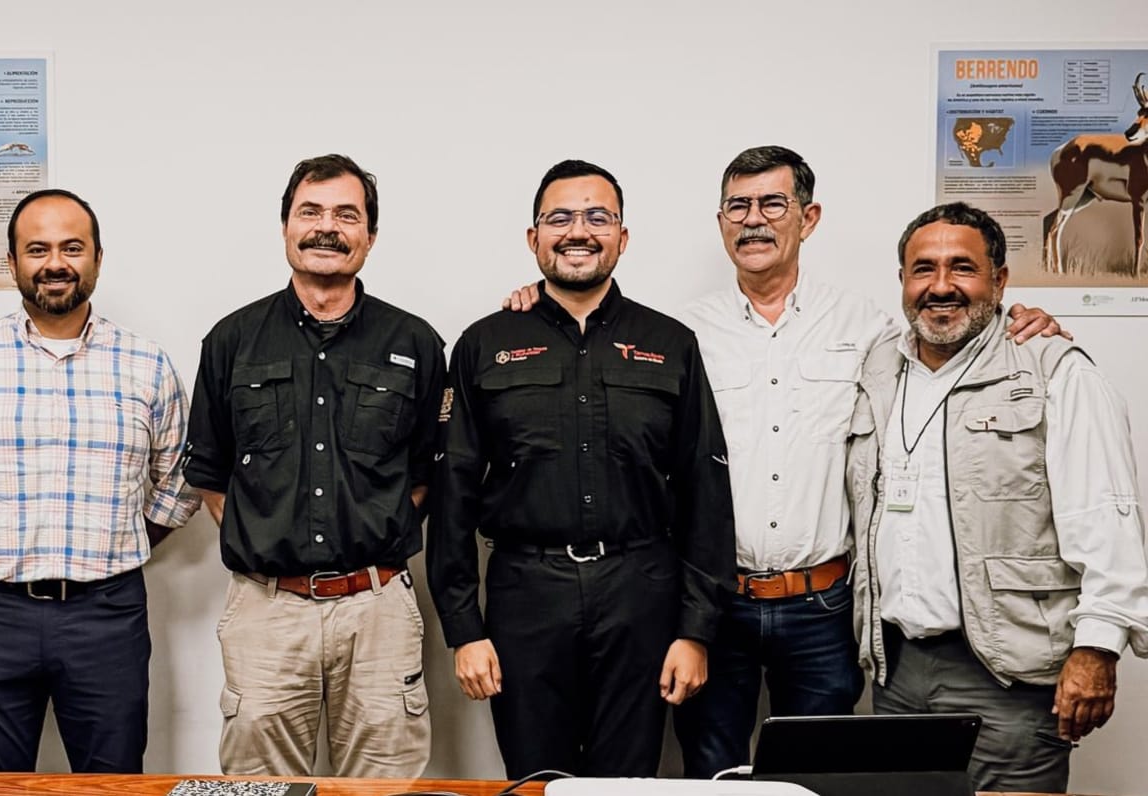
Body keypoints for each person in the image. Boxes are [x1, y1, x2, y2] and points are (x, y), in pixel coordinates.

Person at [504, 147, 1065, 778]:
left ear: (808, 217)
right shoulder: (678, 336)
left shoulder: (869, 328)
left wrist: (1017, 320)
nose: (754, 220)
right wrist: (537, 305)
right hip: (715, 605)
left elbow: (947, 340)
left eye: (773, 203)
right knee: (711, 774)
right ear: (721, 222)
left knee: (815, 777)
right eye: (738, 206)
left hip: (822, 607)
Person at [429, 159, 735, 777]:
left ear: (622, 236)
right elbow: (452, 492)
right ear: (533, 237)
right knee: (536, 780)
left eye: (598, 217)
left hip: (639, 594)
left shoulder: (671, 343)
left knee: (627, 784)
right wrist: (464, 630)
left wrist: (696, 630)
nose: (578, 231)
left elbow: (706, 489)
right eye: (560, 217)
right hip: (526, 595)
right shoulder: (485, 344)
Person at [0, 188, 200, 773]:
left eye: (71, 248)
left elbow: (181, 481)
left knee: (113, 787)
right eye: (37, 249)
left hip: (107, 616)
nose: (55, 263)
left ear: (97, 258)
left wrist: (123, 540)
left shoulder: (147, 365)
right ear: (12, 262)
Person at [848, 202, 1148, 792]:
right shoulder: (879, 367)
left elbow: (1107, 518)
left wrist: (1098, 649)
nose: (940, 286)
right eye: (923, 269)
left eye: (962, 267)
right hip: (897, 671)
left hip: (1007, 673)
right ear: (903, 280)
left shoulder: (1054, 370)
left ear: (1001, 280)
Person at [183, 154, 446, 777]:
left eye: (346, 215)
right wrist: (267, 539)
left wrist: (370, 539)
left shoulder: (415, 343)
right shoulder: (232, 341)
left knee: (384, 789)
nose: (327, 227)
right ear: (285, 227)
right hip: (266, 609)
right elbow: (211, 475)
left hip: (379, 610)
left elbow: (427, 473)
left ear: (370, 236)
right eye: (311, 212)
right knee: (261, 790)